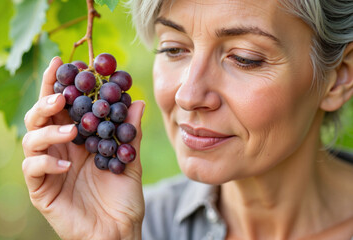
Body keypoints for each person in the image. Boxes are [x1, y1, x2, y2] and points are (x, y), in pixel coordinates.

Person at [21, 0, 353, 239]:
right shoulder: (141, 224)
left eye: (244, 58)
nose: (187, 95)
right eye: (173, 49)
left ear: (338, 78)